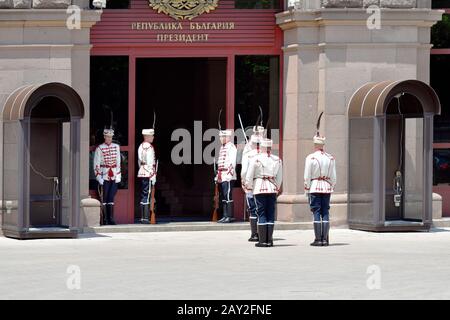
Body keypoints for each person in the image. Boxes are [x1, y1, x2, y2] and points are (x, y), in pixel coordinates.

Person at [245, 138, 282, 247]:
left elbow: (249, 175)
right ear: (270, 147)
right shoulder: (277, 160)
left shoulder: (256, 159)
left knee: (261, 213)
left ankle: (262, 241)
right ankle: (269, 240)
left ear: (262, 147)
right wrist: (277, 188)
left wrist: (249, 186)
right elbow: (279, 178)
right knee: (270, 213)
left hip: (259, 188)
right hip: (272, 188)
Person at [304, 134, 336, 246]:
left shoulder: (310, 158)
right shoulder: (330, 158)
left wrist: (307, 188)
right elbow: (333, 176)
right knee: (325, 212)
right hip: (327, 187)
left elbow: (307, 175)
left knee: (316, 211)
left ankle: (318, 239)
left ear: (315, 144)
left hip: (315, 186)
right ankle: (325, 239)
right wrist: (331, 186)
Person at [241, 126, 264, 241]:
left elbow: (244, 171)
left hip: (251, 185)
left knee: (252, 209)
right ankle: (263, 234)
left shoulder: (248, 155)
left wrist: (244, 183)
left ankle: (254, 234)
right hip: (264, 186)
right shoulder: (266, 155)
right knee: (262, 209)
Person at [94, 128, 121, 225]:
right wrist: (99, 177)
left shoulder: (116, 147)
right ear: (104, 137)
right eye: (107, 137)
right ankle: (105, 219)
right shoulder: (100, 148)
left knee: (111, 197)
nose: (109, 139)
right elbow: (96, 164)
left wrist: (118, 175)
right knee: (104, 198)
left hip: (113, 174)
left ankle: (111, 218)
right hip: (104, 174)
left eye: (110, 137)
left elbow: (118, 162)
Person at [215, 129, 237, 223]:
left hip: (228, 175)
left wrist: (229, 174)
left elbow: (232, 162)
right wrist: (217, 175)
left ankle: (229, 216)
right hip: (222, 175)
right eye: (220, 137)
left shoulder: (231, 147)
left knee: (228, 196)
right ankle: (224, 216)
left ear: (227, 137)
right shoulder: (222, 147)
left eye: (222, 137)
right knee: (223, 196)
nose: (220, 139)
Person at [137, 129, 157, 224]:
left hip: (142, 170)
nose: (153, 137)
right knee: (147, 193)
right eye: (151, 136)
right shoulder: (149, 147)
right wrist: (152, 174)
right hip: (148, 172)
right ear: (146, 136)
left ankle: (143, 217)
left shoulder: (141, 146)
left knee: (144, 193)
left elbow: (139, 161)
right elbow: (150, 162)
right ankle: (145, 218)